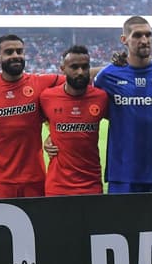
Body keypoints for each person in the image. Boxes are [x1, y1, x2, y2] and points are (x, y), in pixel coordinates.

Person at [93, 16, 152, 194]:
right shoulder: (108, 76)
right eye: (137, 35)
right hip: (123, 173)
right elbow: (85, 103)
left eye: (148, 35)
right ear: (124, 40)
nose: (144, 40)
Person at [0, 34, 62, 199]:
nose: (16, 55)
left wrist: (53, 133)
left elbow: (79, 78)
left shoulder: (41, 83)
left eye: (19, 51)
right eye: (9, 52)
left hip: (34, 178)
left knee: (37, 224)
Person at [39, 45, 108, 195]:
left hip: (91, 184)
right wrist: (49, 137)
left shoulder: (101, 97)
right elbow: (29, 123)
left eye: (85, 67)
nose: (80, 72)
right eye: (74, 67)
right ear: (62, 69)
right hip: (57, 186)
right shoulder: (47, 97)